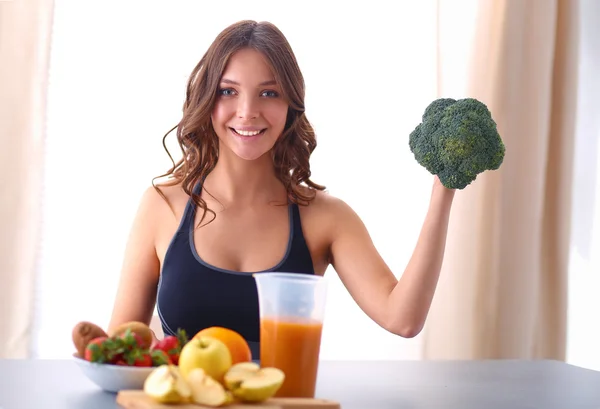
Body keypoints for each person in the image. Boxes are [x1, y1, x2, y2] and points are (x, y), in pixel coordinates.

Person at [107, 20, 455, 359]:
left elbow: (403, 319)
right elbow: (119, 343)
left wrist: (444, 188)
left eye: (268, 93)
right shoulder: (161, 205)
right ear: (207, 99)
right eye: (228, 91)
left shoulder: (326, 218)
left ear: (291, 105)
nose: (247, 112)